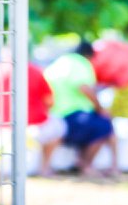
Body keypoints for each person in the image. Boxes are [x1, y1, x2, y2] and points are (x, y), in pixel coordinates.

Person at [44, 43, 115, 176]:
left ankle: (81, 163)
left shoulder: (59, 62)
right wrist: (100, 108)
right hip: (73, 115)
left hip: (54, 114)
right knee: (105, 126)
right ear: (89, 56)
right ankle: (85, 164)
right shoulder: (80, 64)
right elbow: (84, 88)